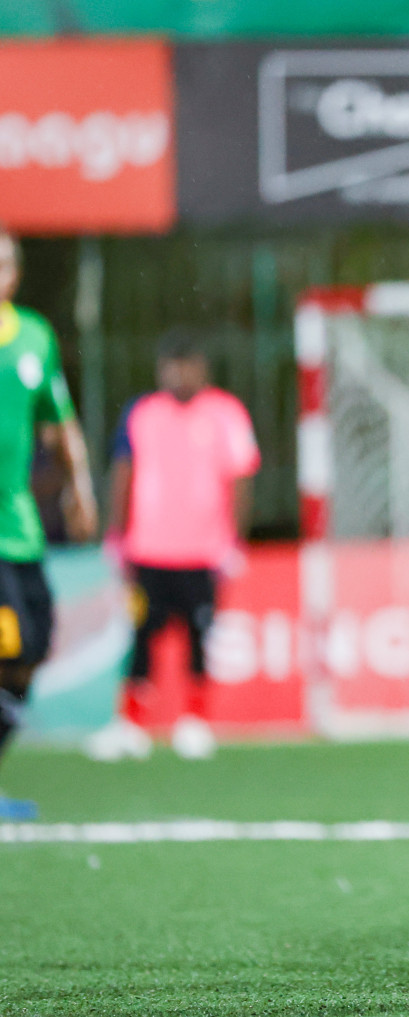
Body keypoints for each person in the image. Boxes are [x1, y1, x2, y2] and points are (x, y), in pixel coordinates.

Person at [86, 330, 259, 762]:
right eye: (172, 365)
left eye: (189, 365)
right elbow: (122, 473)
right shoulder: (142, 413)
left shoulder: (225, 413)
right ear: (161, 370)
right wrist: (116, 533)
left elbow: (240, 479)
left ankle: (195, 722)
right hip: (148, 552)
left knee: (200, 637)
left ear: (203, 369)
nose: (180, 374)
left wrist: (235, 540)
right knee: (142, 636)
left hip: (203, 552)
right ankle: (131, 724)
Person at [0, 226, 98, 818]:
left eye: (7, 259)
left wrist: (79, 486)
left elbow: (58, 419)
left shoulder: (34, 336)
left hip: (23, 529)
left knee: (33, 648)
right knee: (7, 646)